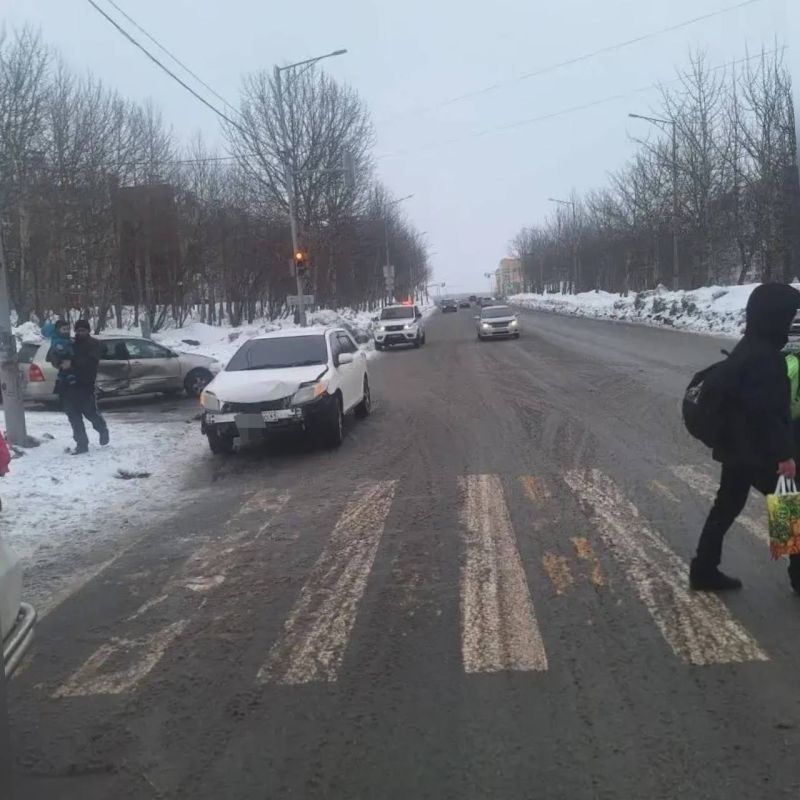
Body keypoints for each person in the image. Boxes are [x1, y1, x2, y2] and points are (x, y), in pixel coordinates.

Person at [691, 283, 800, 593]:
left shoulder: (749, 345)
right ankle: (798, 576)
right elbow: (766, 413)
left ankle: (703, 568)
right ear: (775, 316)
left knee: (726, 506)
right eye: (789, 314)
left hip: (736, 446)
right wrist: (784, 455)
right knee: (787, 503)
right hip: (757, 449)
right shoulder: (768, 358)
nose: (792, 319)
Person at [60, 320, 109, 455]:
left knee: (90, 413)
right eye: (78, 330)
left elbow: (90, 362)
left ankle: (102, 429)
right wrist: (59, 361)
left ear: (88, 331)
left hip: (85, 385)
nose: (80, 333)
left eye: (83, 330)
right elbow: (56, 357)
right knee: (73, 417)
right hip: (68, 385)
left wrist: (71, 363)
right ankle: (82, 444)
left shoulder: (95, 344)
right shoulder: (70, 344)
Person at [43, 319, 77, 396]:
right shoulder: (58, 342)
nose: (66, 331)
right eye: (64, 329)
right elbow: (60, 354)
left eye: (68, 329)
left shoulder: (66, 340)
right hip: (65, 375)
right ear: (58, 330)